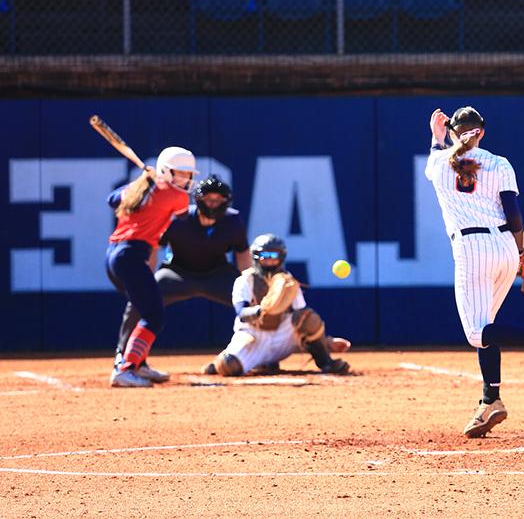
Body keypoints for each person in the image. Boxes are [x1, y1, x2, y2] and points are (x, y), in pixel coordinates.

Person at [425, 106, 524, 438]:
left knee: (477, 333)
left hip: (471, 248)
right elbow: (514, 214)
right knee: (488, 327)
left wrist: (437, 136)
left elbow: (439, 154)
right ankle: (490, 400)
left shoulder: (439, 163)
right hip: (505, 246)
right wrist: (521, 251)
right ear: (482, 131)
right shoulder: (500, 163)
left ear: (454, 133)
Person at [111, 175, 251, 381]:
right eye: (208, 199)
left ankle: (264, 356)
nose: (212, 204)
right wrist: (146, 278)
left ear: (226, 202)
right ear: (198, 199)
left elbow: (242, 254)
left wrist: (248, 285)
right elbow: (154, 248)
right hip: (177, 275)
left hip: (218, 276)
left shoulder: (232, 221)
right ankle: (127, 359)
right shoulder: (177, 219)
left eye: (218, 200)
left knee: (255, 300)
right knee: (140, 300)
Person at [106, 147, 197, 388]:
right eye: (181, 173)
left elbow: (112, 199)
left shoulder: (140, 188)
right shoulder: (177, 196)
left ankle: (140, 364)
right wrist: (155, 182)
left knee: (143, 307)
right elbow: (183, 216)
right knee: (154, 315)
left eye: (188, 174)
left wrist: (146, 181)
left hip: (114, 257)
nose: (186, 179)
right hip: (131, 257)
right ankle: (125, 368)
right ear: (166, 171)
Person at [202, 233, 351, 377]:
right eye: (265, 256)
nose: (269, 261)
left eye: (273, 256)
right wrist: (263, 310)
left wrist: (327, 342)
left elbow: (303, 316)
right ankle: (219, 364)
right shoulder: (245, 280)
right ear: (255, 256)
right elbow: (241, 314)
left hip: (282, 337)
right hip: (253, 336)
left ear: (281, 258)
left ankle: (326, 362)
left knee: (308, 318)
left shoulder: (288, 282)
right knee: (228, 365)